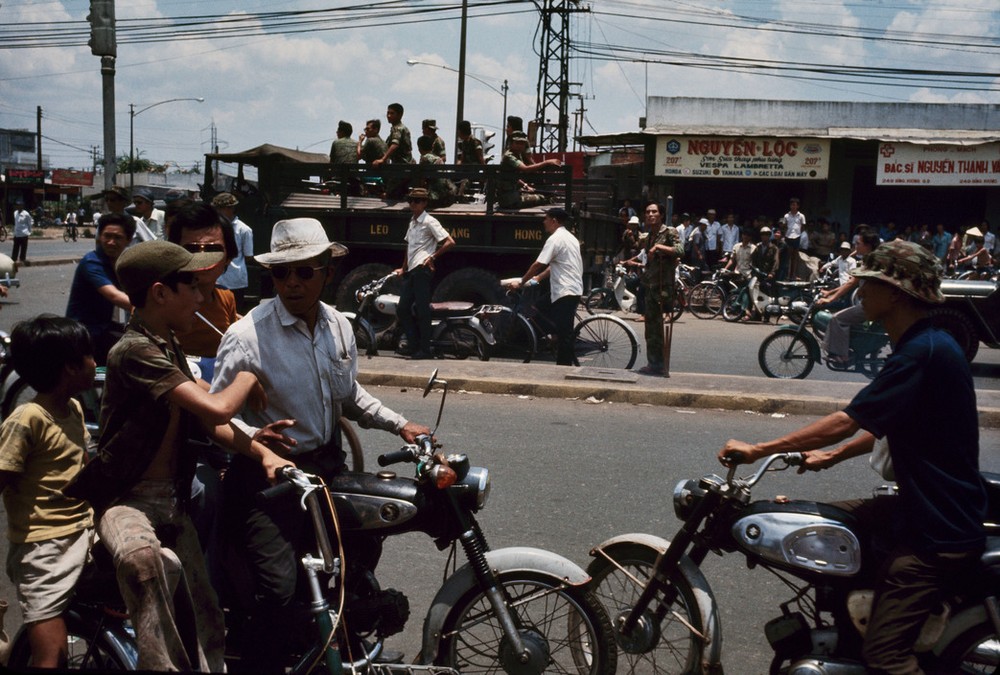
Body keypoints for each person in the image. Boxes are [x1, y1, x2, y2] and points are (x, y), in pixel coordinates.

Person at [719, 239, 985, 674]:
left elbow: (849, 419)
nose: (859, 292)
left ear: (897, 293)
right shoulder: (923, 343)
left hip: (937, 530)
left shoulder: (922, 353)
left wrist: (759, 449)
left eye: (869, 283)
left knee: (885, 657)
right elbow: (886, 423)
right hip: (921, 509)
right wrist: (833, 457)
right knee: (819, 520)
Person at [211, 217, 431, 671]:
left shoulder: (339, 327)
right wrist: (257, 438)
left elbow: (349, 395)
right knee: (279, 589)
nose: (292, 283)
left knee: (353, 568)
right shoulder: (248, 335)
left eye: (304, 271)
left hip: (326, 470)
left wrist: (401, 424)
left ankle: (337, 653)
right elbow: (216, 418)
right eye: (281, 273)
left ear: (326, 271)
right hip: (267, 482)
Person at [64, 240, 290, 672]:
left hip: (173, 502)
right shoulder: (134, 351)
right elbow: (220, 407)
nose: (203, 298)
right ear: (160, 293)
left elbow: (212, 421)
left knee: (206, 620)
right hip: (127, 501)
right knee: (145, 564)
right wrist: (247, 374)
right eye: (193, 287)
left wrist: (260, 450)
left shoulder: (164, 344)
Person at [0, 316, 96, 668]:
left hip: (84, 529)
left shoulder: (73, 408)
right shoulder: (28, 418)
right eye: (89, 356)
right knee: (51, 652)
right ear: (70, 367)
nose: (95, 363)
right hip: (43, 544)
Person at [168, 201, 239, 381]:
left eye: (212, 249)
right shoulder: (156, 302)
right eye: (192, 249)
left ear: (228, 258)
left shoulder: (226, 298)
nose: (203, 258)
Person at [507, 208, 583, 366]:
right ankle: (552, 334)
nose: (544, 222)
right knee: (538, 307)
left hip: (565, 290)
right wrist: (539, 278)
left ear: (554, 221)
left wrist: (521, 282)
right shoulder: (570, 238)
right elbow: (555, 264)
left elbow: (538, 264)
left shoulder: (555, 239)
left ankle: (563, 368)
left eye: (546, 218)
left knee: (565, 334)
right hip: (570, 288)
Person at [65, 212, 136, 365]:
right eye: (107, 236)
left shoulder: (119, 263)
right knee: (134, 357)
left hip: (102, 328)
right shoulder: (92, 262)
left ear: (128, 240)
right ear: (99, 237)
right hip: (83, 332)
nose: (111, 242)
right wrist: (146, 307)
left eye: (117, 238)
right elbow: (114, 296)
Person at [394, 187, 455, 359]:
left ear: (425, 203)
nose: (413, 203)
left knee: (422, 310)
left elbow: (449, 242)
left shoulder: (429, 221)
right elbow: (409, 247)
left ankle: (425, 350)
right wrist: (403, 268)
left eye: (417, 200)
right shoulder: (412, 222)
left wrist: (432, 257)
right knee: (403, 309)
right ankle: (414, 345)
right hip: (412, 269)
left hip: (422, 269)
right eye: (411, 200)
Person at [817, 230, 880, 365]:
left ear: (868, 246)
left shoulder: (870, 261)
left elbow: (852, 282)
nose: (855, 246)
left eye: (858, 243)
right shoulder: (870, 259)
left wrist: (830, 299)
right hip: (869, 303)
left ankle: (842, 356)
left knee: (837, 319)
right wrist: (830, 292)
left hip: (870, 305)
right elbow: (851, 281)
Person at [636, 202, 683, 376]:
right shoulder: (648, 236)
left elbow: (680, 250)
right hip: (650, 285)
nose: (650, 215)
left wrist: (660, 247)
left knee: (660, 327)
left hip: (664, 286)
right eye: (647, 212)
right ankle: (653, 363)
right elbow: (649, 261)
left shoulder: (669, 232)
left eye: (654, 212)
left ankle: (661, 365)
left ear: (661, 215)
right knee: (651, 328)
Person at [497, 131, 561, 209]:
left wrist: (524, 185)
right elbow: (526, 169)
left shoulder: (517, 155)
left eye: (523, 143)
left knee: (541, 196)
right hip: (510, 200)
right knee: (543, 198)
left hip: (511, 196)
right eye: (517, 143)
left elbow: (511, 176)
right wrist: (547, 162)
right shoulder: (509, 156)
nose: (520, 146)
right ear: (511, 143)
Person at [213, 191, 254, 308]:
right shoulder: (212, 227)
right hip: (216, 280)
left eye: (222, 209)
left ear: (231, 209)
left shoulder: (244, 230)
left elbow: (248, 256)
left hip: (235, 281)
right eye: (217, 208)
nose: (218, 212)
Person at [781, 197, 806, 279]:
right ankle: (787, 275)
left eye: (795, 205)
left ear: (798, 206)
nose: (793, 207)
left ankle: (793, 275)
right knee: (788, 257)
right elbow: (784, 226)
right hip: (788, 236)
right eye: (792, 205)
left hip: (797, 236)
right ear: (790, 206)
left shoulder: (801, 216)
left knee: (795, 257)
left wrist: (798, 234)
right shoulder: (786, 216)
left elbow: (802, 227)